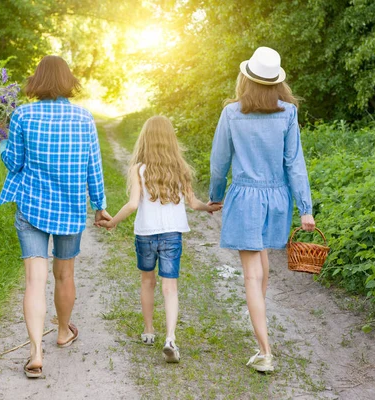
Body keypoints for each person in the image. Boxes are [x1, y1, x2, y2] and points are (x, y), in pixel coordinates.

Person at [0, 55, 111, 378]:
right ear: (67, 81)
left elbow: (14, 163)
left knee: (35, 279)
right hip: (71, 210)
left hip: (32, 207)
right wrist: (99, 205)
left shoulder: (22, 116)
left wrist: (3, 144)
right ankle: (62, 332)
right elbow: (93, 167)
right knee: (64, 275)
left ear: (37, 81)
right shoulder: (84, 119)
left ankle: (35, 353)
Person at [208, 47, 316, 373]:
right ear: (275, 82)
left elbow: (219, 161)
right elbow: (294, 164)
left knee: (252, 275)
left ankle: (265, 350)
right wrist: (305, 209)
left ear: (247, 78)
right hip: (277, 200)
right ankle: (260, 333)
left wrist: (215, 196)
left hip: (245, 198)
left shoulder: (232, 113)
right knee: (262, 265)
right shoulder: (288, 113)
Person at [97, 116, 222, 363]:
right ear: (170, 140)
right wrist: (207, 207)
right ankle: (171, 338)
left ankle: (149, 330)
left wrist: (113, 222)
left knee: (147, 282)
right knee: (170, 286)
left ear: (145, 139)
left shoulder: (138, 169)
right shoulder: (180, 168)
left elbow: (133, 204)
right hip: (171, 234)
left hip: (145, 233)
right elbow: (193, 202)